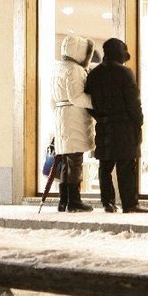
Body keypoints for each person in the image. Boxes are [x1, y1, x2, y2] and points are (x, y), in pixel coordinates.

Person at [85, 38, 148, 213]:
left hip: (104, 126)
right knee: (127, 166)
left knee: (105, 166)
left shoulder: (94, 74)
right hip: (125, 126)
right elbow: (133, 103)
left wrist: (100, 116)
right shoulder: (125, 73)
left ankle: (108, 203)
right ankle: (130, 204)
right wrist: (139, 121)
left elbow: (88, 102)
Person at [51, 34, 95, 213]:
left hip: (62, 115)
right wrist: (95, 101)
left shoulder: (58, 68)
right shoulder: (74, 69)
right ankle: (74, 201)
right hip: (74, 116)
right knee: (75, 160)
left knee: (67, 161)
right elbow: (76, 96)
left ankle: (64, 200)